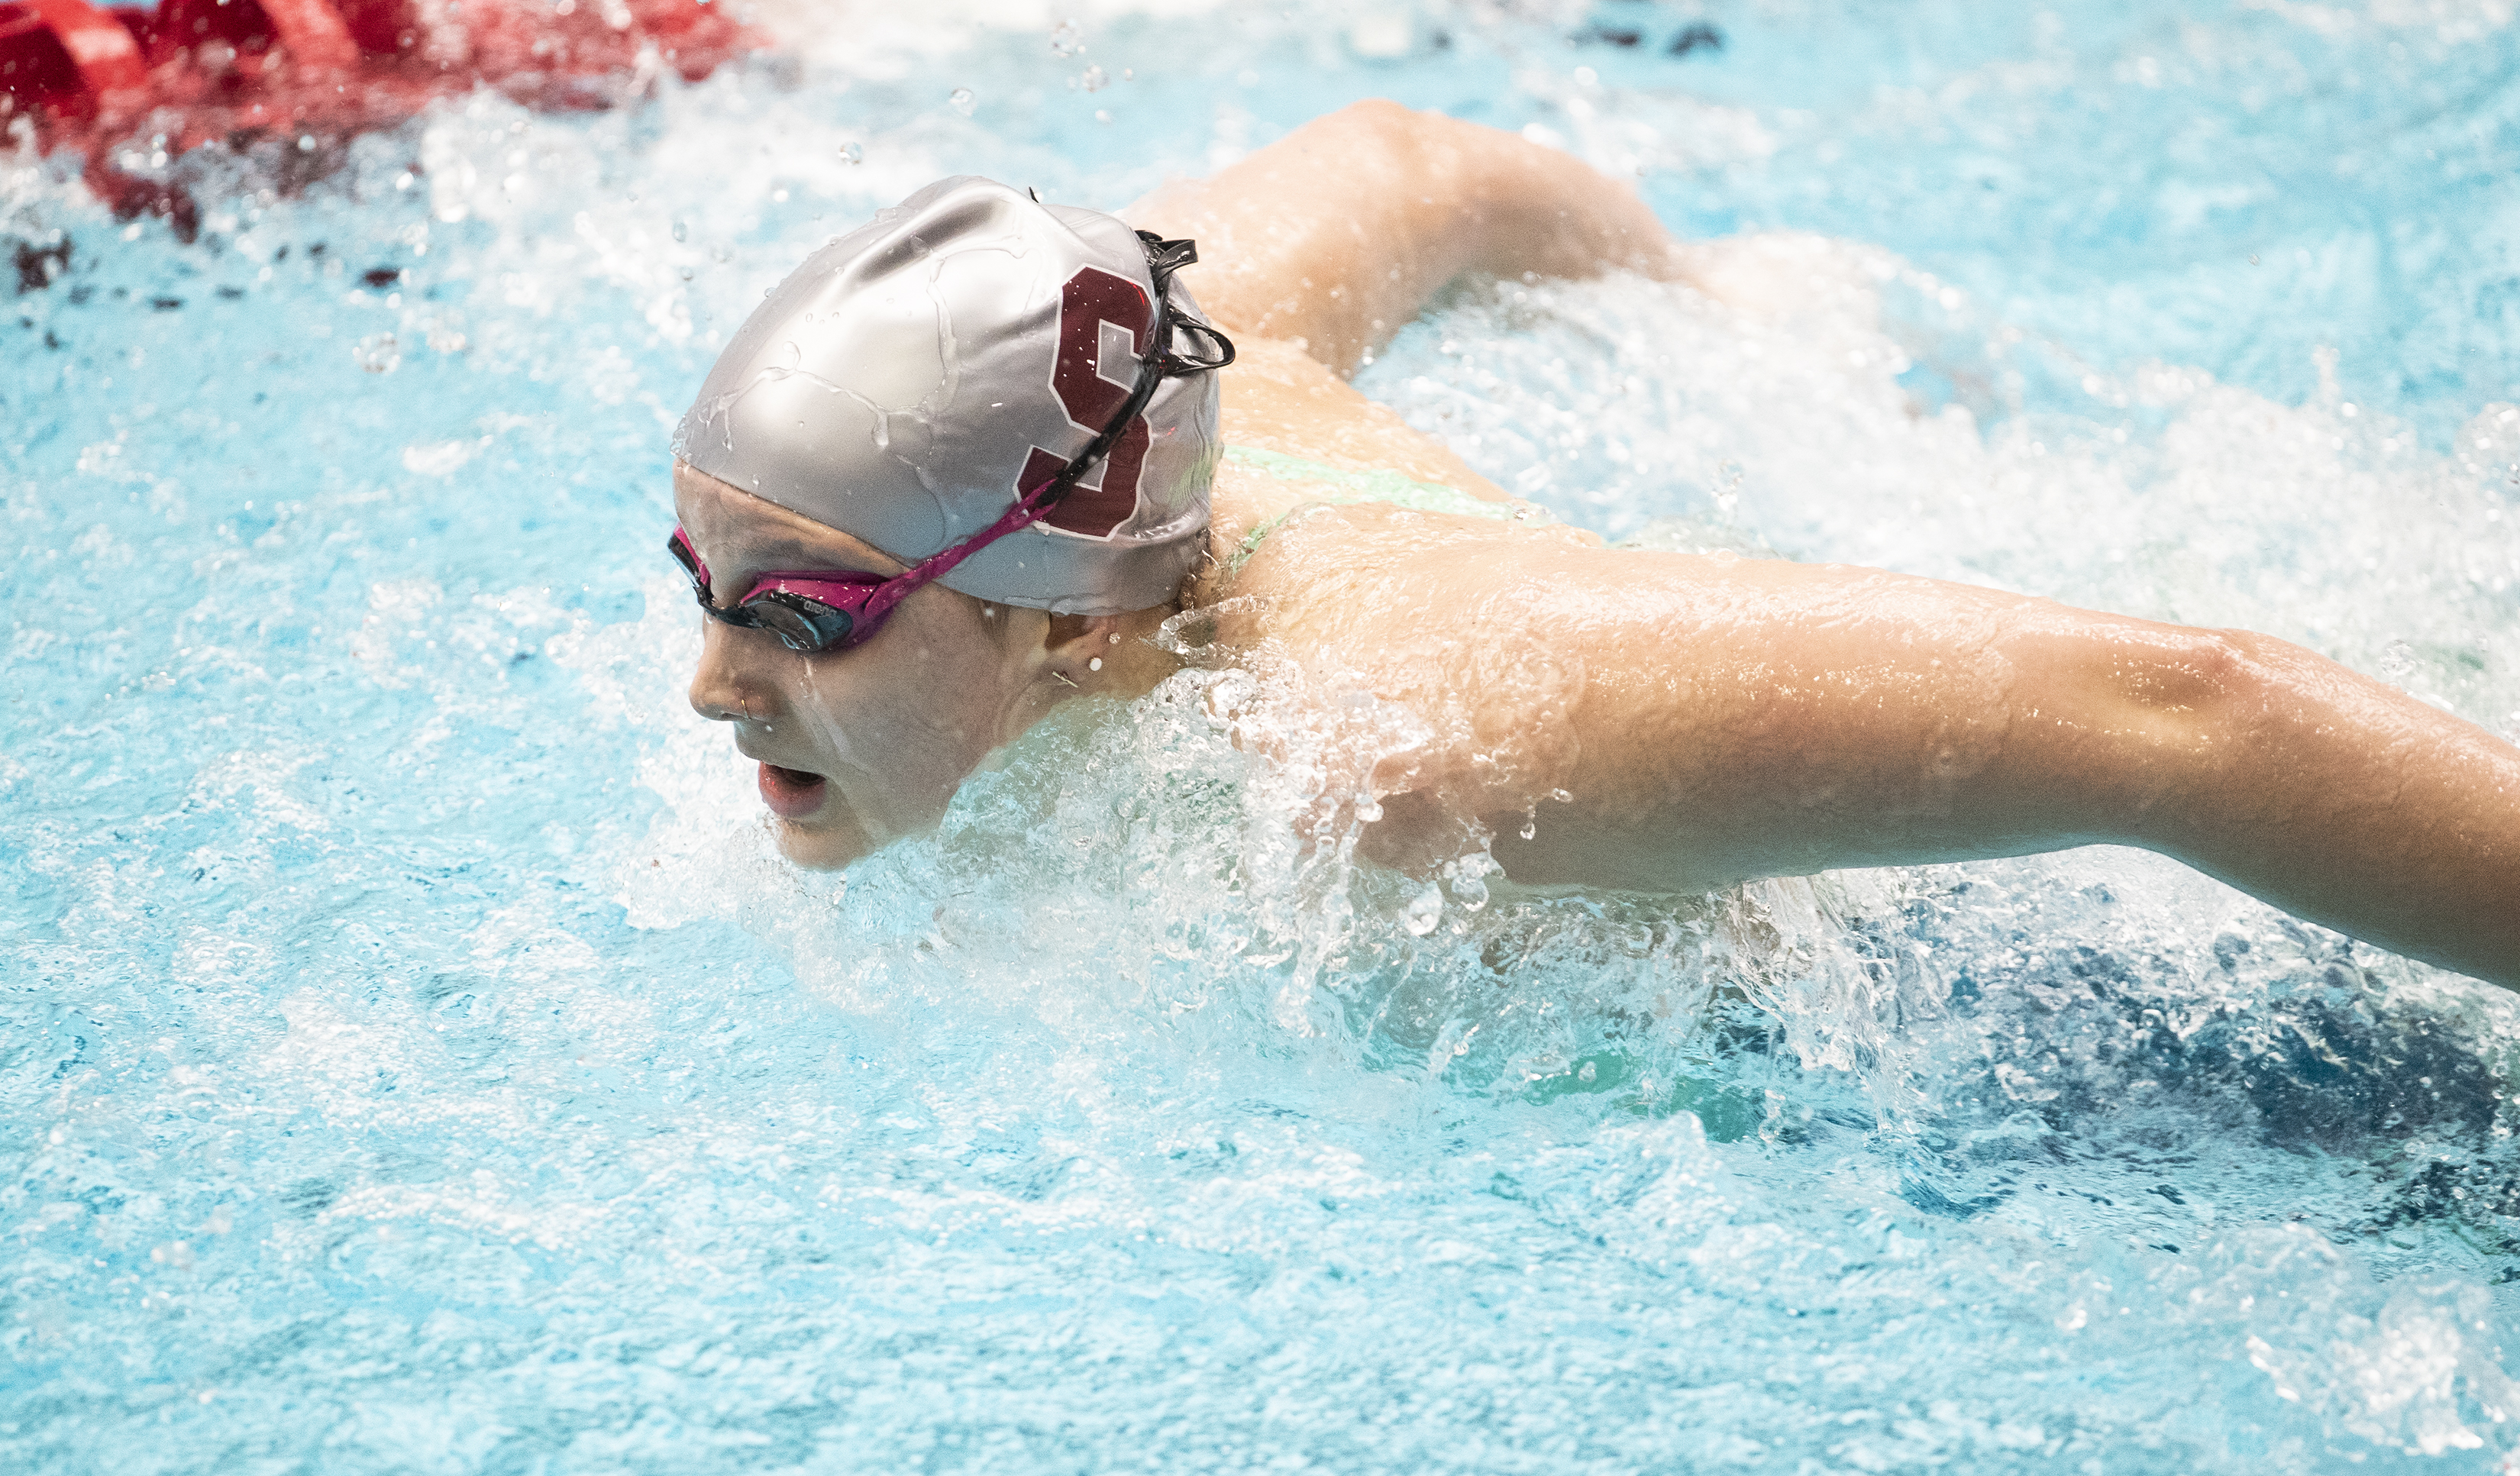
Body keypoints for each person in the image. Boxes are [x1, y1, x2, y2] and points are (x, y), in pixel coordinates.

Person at [670, 100, 2520, 993]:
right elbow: (1417, 162)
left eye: (803, 618)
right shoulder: (1126, 370)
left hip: (2093, 999)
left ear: (1064, 632)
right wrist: (1723, 311)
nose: (707, 685)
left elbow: (2189, 719)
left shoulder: (1414, 746)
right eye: (700, 579)